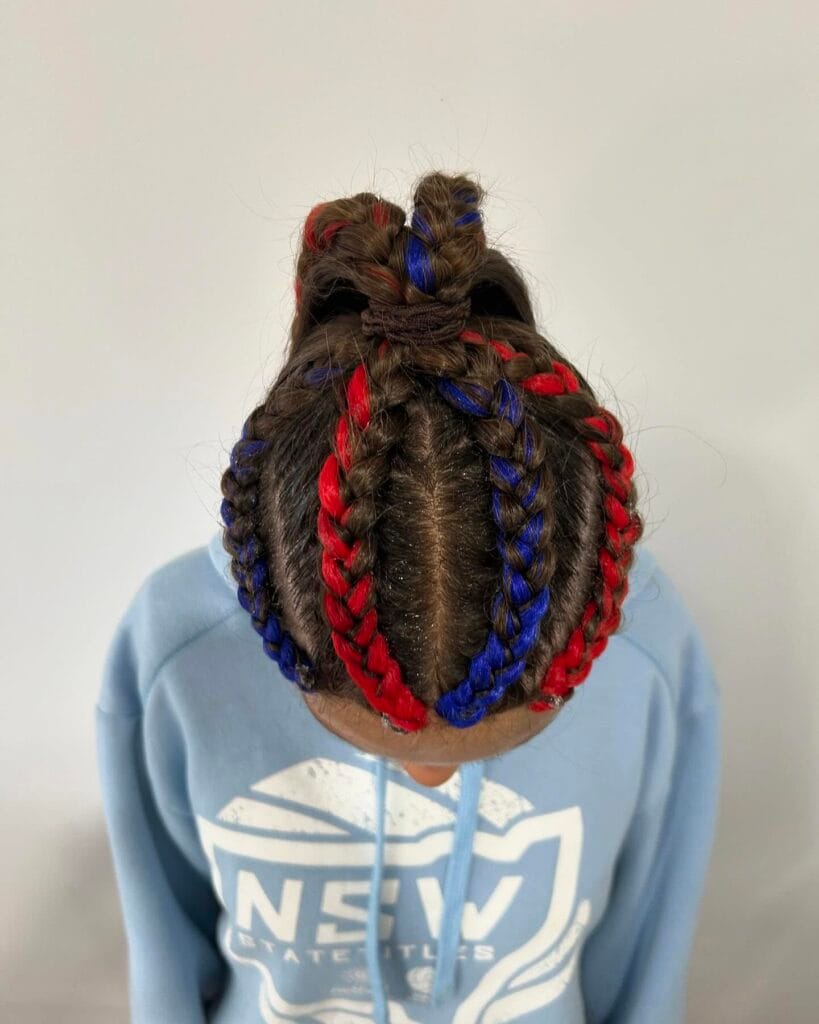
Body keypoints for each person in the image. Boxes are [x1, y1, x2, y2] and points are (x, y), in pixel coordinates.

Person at [95, 172, 721, 1024]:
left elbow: (644, 964)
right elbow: (164, 956)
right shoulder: (176, 652)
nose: (432, 775)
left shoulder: (649, 653)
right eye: (375, 732)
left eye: (500, 735)